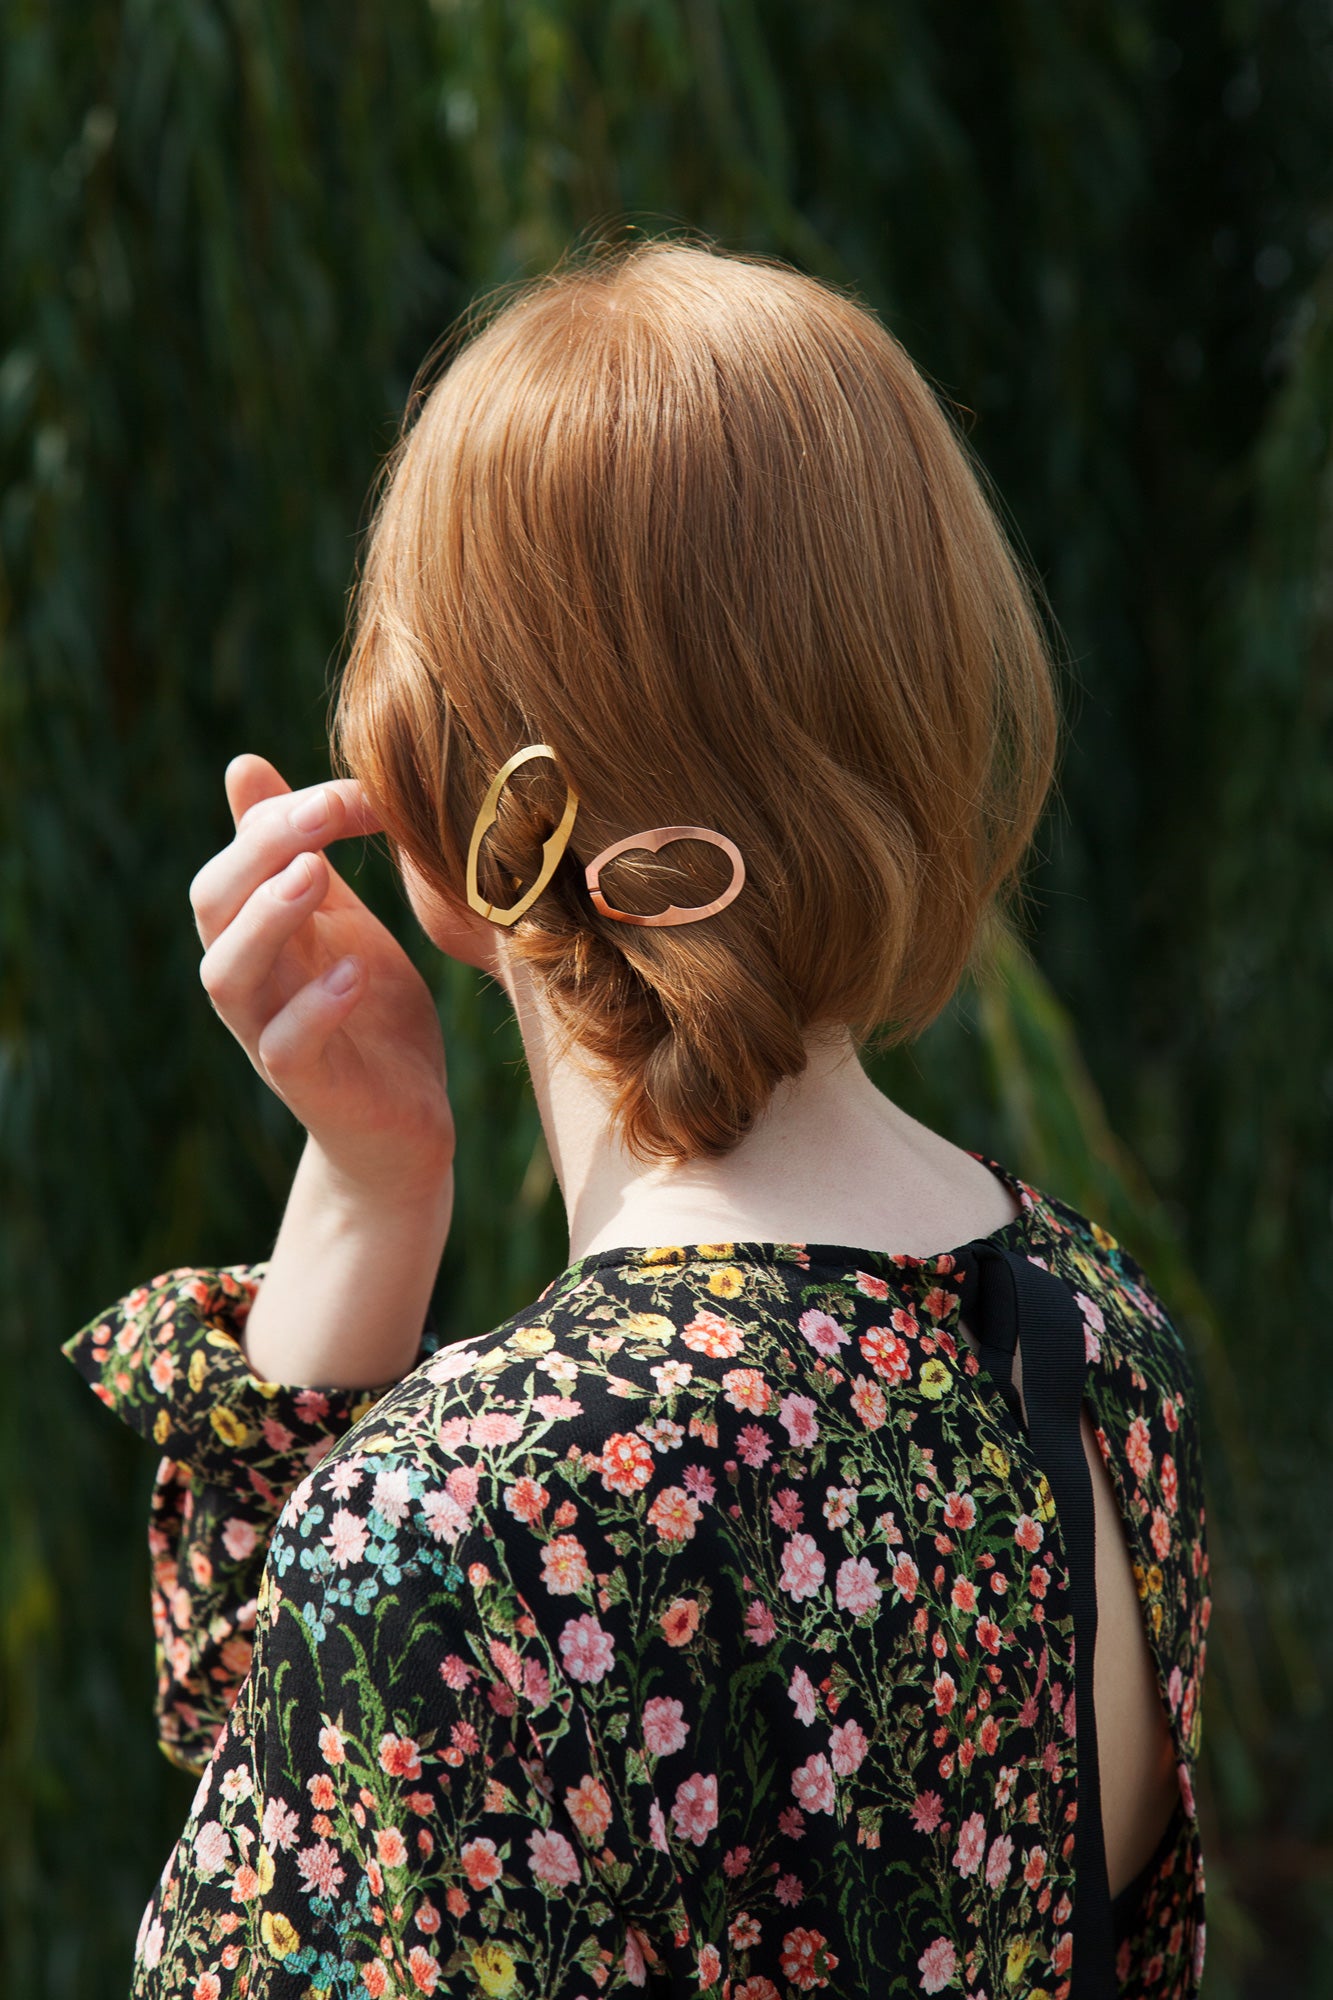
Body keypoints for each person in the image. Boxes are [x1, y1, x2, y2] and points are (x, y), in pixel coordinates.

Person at [64, 239, 1208, 2000]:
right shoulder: (1097, 1345)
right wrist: (375, 1183)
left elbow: (299, 1805)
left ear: (461, 819)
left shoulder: (469, 1522)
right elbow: (280, 1733)